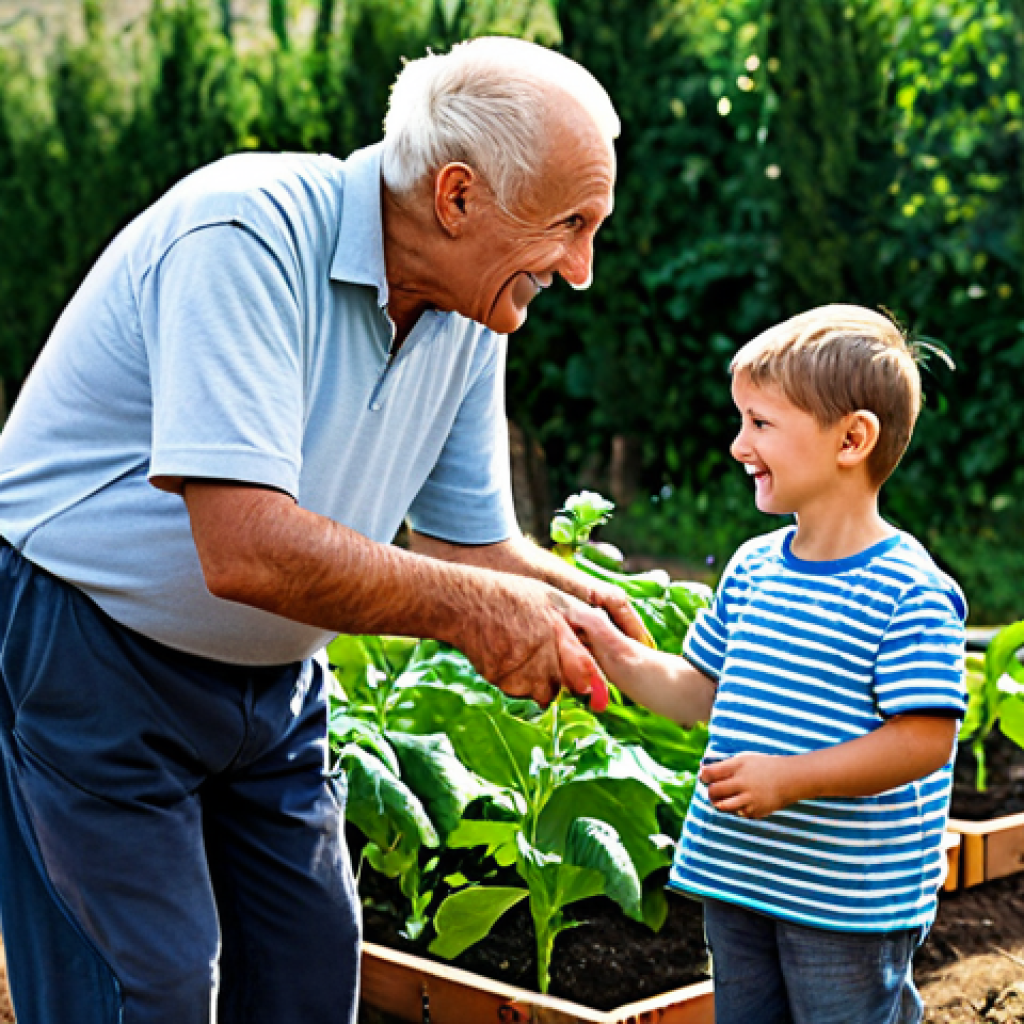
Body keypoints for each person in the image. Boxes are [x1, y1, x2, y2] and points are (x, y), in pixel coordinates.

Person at [0, 36, 650, 1024]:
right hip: (87, 645)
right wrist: (478, 612)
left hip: (273, 679)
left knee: (308, 972)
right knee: (149, 988)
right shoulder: (246, 233)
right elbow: (246, 545)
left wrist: (574, 605)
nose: (580, 268)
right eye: (568, 225)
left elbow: (471, 546)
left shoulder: (470, 308)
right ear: (457, 196)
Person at [580, 305, 967, 1024]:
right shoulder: (755, 568)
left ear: (852, 439)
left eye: (760, 424)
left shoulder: (906, 589)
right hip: (741, 876)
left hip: (846, 902)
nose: (737, 445)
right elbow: (698, 692)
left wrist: (792, 780)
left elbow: (924, 740)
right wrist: (607, 647)